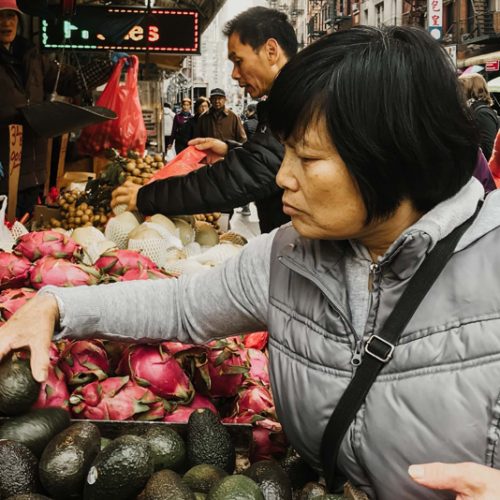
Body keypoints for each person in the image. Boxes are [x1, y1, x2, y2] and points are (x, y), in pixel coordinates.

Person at [4, 25, 500, 498]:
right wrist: (55, 307)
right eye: (285, 153)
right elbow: (182, 306)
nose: (283, 177)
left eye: (307, 159)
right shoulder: (288, 255)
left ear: (392, 156)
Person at [111, 6, 297, 234]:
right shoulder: (285, 101)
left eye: (238, 61)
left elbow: (234, 179)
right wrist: (230, 150)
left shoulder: (294, 105)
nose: (234, 74)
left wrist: (145, 195)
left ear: (271, 51)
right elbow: (270, 160)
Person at [0, 0, 115, 217]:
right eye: (1, 16)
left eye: (11, 16)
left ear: (19, 21)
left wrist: (106, 63)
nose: (6, 23)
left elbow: (71, 82)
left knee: (26, 233)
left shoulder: (32, 56)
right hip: (3, 166)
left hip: (35, 169)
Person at [459, 73, 499, 160]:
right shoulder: (474, 110)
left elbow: (489, 149)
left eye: (461, 88)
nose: (458, 93)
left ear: (471, 90)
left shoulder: (481, 113)